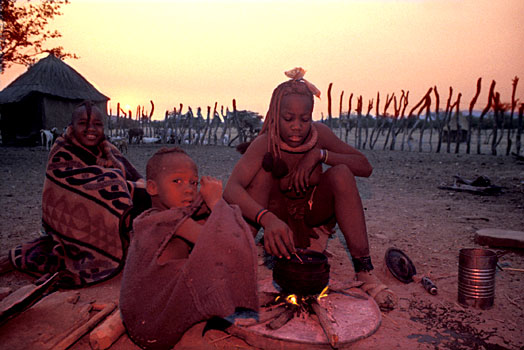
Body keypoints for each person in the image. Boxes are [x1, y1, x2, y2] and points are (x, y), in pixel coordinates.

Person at [223, 68, 397, 310]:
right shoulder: (266, 142)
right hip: (277, 221)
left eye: (304, 119)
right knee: (261, 174)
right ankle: (241, 264)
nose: (297, 126)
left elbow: (365, 166)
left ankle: (364, 270)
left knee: (342, 173)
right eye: (288, 118)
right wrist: (267, 219)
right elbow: (231, 188)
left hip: (312, 218)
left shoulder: (319, 135)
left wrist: (320, 155)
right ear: (275, 115)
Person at [120, 147, 258, 350]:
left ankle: (196, 328)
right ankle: (190, 334)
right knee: (215, 264)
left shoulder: (153, 217)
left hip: (141, 321)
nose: (188, 189)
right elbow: (222, 244)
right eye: (177, 181)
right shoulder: (168, 220)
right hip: (154, 327)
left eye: (194, 182)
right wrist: (215, 201)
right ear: (151, 187)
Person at [5, 101, 151, 288]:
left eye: (97, 124)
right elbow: (66, 185)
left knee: (148, 194)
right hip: (70, 222)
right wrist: (112, 178)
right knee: (119, 186)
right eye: (83, 123)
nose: (91, 129)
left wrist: (133, 186)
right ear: (71, 127)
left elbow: (134, 176)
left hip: (106, 214)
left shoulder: (107, 148)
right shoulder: (62, 150)